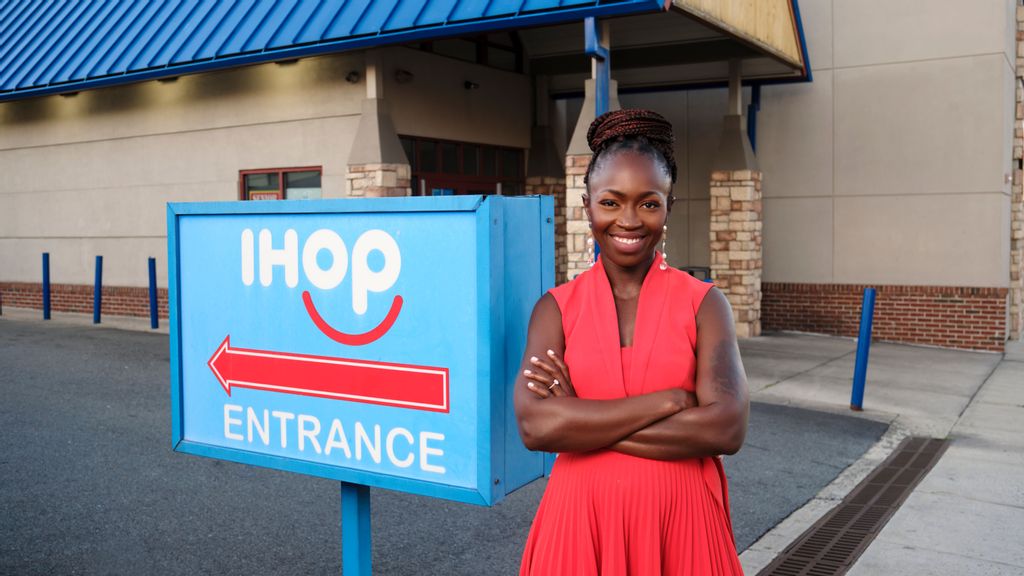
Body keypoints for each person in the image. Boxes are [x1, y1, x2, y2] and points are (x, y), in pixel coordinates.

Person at [515, 109, 749, 575]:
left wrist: (582, 419)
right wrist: (670, 401)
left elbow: (725, 430)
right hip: (580, 526)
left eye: (648, 203)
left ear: (668, 206)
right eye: (611, 202)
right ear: (587, 206)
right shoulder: (555, 309)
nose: (628, 220)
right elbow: (536, 428)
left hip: (681, 527)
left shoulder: (705, 304)